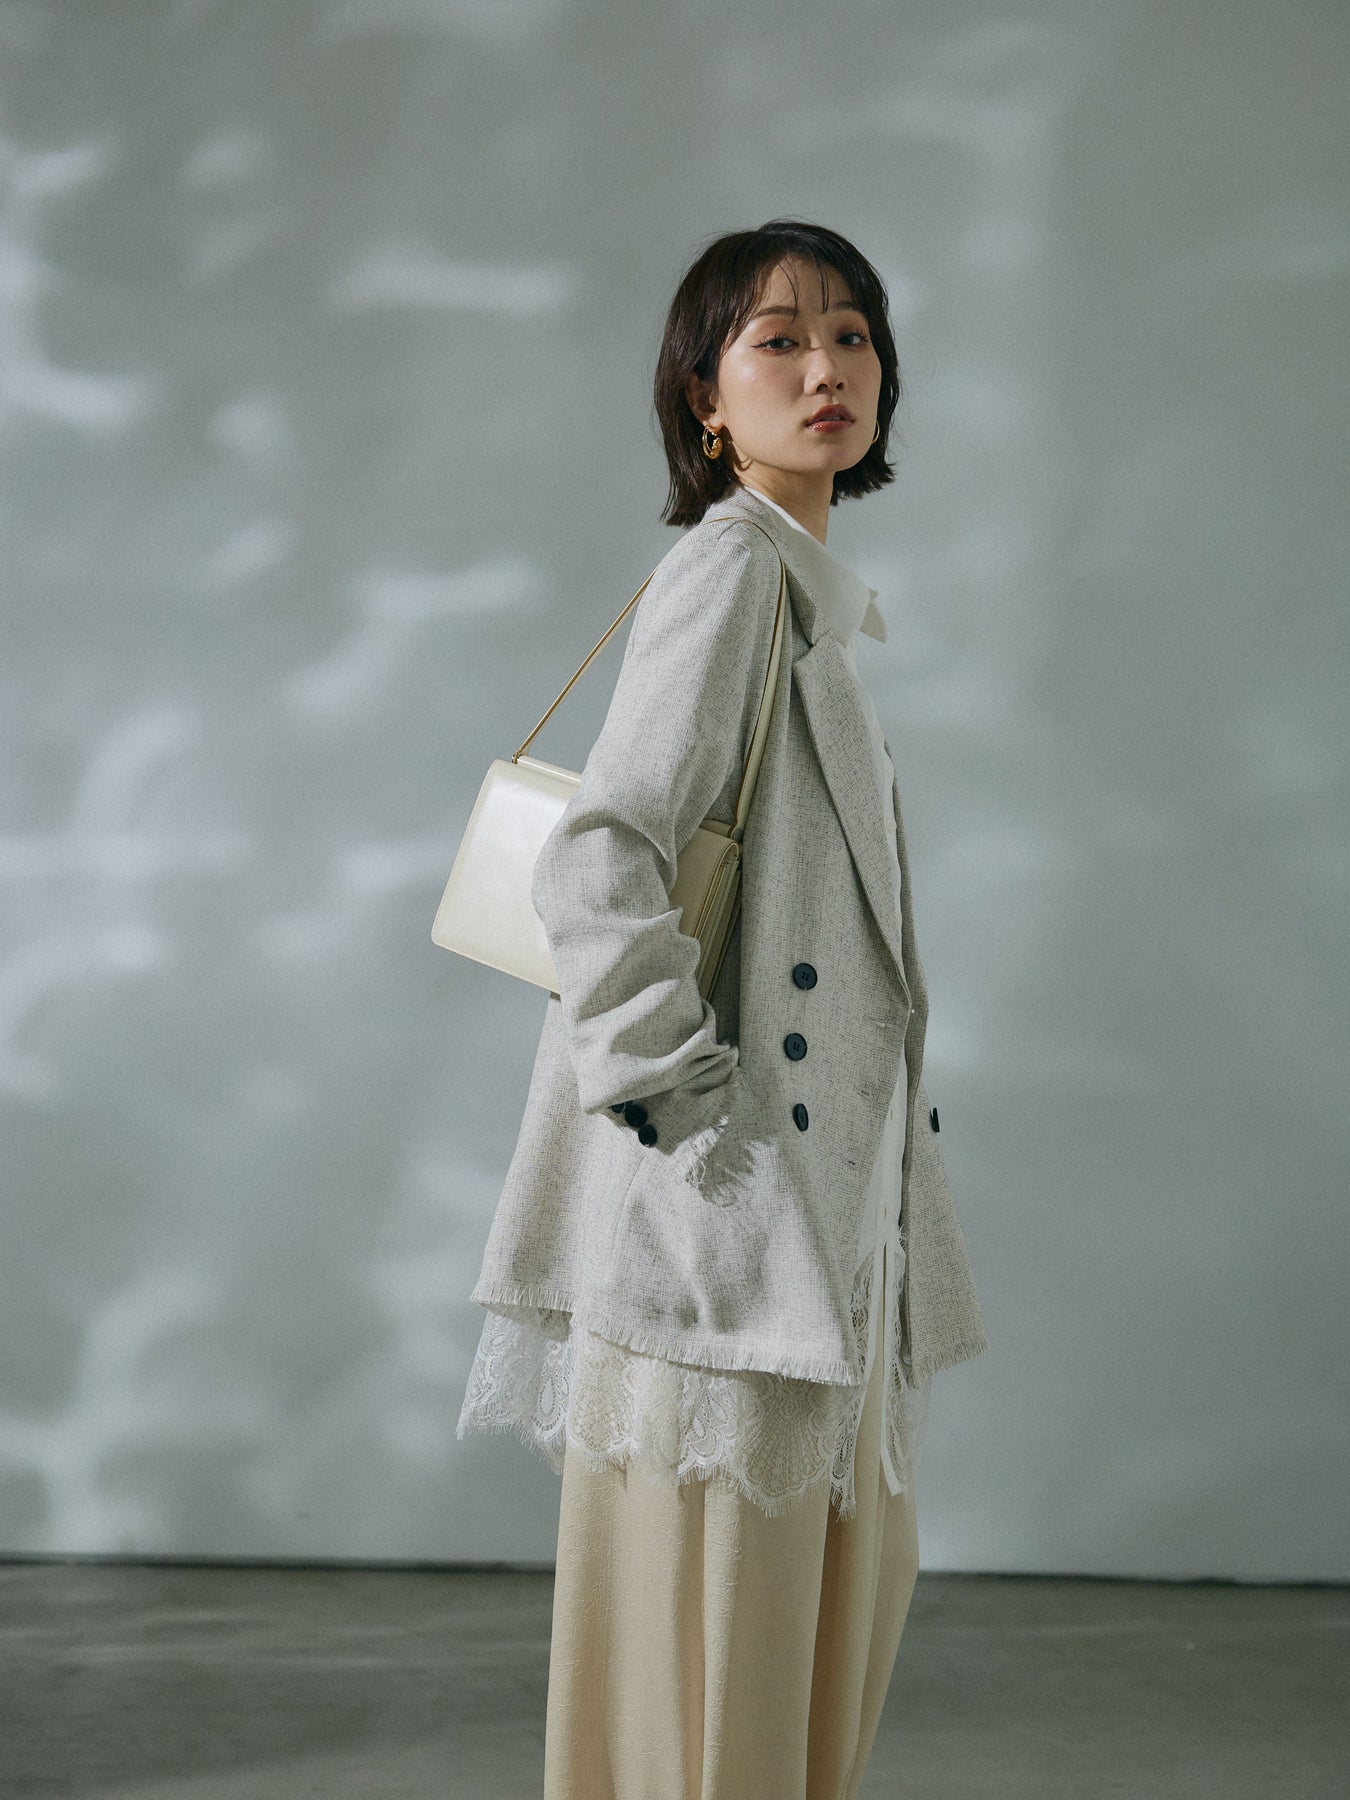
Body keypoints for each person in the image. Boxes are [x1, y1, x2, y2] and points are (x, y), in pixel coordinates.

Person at [456, 219, 988, 1800]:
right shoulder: (731, 570)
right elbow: (600, 854)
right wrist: (682, 1105)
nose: (826, 368)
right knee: (720, 1655)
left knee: (803, 1637)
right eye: (776, 339)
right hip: (739, 1206)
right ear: (704, 397)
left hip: (824, 1216)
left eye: (852, 335)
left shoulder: (802, 595)